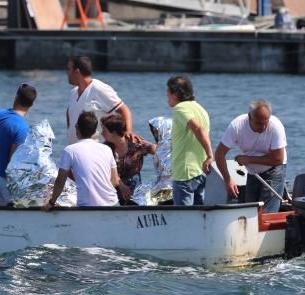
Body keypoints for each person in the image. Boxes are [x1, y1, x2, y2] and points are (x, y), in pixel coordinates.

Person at [214, 99, 288, 213]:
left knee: (266, 213)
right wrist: (228, 180)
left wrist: (248, 159)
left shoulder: (276, 126)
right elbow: (219, 154)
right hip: (253, 172)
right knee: (250, 210)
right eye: (259, 123)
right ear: (249, 117)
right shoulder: (237, 126)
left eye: (265, 122)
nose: (263, 127)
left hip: (274, 170)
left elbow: (278, 158)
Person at [43, 111, 120, 209]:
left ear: (77, 128)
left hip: (87, 207)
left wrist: (52, 202)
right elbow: (115, 181)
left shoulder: (70, 150)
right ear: (94, 130)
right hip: (113, 204)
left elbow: (60, 181)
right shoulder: (107, 149)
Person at [0, 83, 37, 204]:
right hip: (3, 178)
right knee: (20, 207)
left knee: (2, 207)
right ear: (32, 104)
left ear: (16, 97)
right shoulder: (23, 128)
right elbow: (13, 162)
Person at [166, 75, 214, 206]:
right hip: (201, 171)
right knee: (200, 216)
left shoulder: (180, 108)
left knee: (184, 219)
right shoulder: (201, 109)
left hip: (184, 173)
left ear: (175, 93)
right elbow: (204, 132)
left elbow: (199, 129)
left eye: (168, 92)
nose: (167, 96)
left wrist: (210, 155)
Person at [65, 55, 133, 144]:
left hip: (96, 149)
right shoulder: (73, 93)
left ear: (77, 71)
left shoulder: (99, 89)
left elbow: (124, 110)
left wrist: (128, 132)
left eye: (69, 69)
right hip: (75, 150)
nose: (67, 73)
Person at [100, 113, 156, 204]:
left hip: (136, 185)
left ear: (114, 133)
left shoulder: (135, 143)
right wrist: (122, 187)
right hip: (114, 186)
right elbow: (108, 173)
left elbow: (156, 150)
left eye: (104, 130)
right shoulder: (105, 149)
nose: (101, 133)